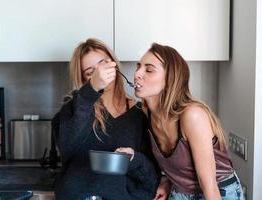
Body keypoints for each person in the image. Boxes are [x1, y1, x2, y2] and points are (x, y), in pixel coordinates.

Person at [133, 43, 243, 200]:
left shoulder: (192, 116)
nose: (137, 73)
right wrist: (168, 181)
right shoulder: (146, 113)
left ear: (170, 79)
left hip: (219, 192)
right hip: (181, 192)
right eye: (138, 67)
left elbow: (209, 187)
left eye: (149, 70)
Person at [52, 38, 159, 200]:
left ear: (114, 64)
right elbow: (66, 149)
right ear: (83, 79)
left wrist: (134, 159)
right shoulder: (74, 108)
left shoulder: (140, 114)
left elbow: (150, 174)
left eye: (103, 65)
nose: (100, 74)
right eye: (90, 73)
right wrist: (91, 90)